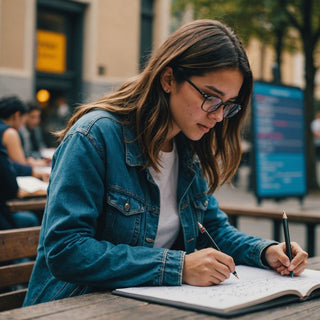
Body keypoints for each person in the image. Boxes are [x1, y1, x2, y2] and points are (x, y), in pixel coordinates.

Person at [23, 20, 308, 306]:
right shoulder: (94, 136)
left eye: (229, 104)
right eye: (211, 98)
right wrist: (177, 267)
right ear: (169, 79)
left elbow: (213, 229)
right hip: (70, 307)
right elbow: (67, 250)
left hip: (136, 305)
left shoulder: (186, 148)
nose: (219, 116)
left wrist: (267, 251)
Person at [0, 96, 50, 168]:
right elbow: (21, 166)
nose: (23, 123)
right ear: (16, 115)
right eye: (24, 118)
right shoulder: (10, 133)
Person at [19, 101, 50, 166]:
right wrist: (39, 158)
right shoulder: (19, 131)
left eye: (38, 117)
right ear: (25, 116)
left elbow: (40, 146)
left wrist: (45, 153)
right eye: (32, 117)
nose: (36, 120)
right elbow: (26, 153)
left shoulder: (36, 129)